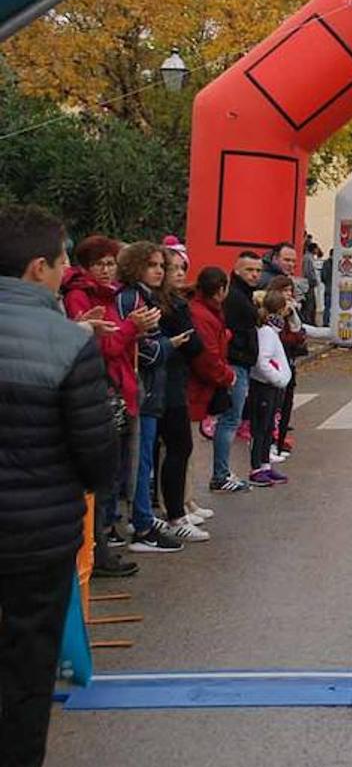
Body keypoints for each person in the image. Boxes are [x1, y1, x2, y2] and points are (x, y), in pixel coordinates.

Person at [0, 204, 117, 767]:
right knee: (27, 662)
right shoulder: (68, 343)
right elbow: (96, 454)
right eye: (62, 260)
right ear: (37, 268)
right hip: (36, 536)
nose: (66, 270)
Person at [60, 236, 144, 578]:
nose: (108, 270)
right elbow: (103, 346)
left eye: (111, 263)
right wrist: (131, 327)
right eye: (101, 264)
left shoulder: (107, 294)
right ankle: (97, 548)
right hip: (103, 387)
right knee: (101, 476)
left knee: (112, 472)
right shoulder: (79, 296)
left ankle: (102, 542)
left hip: (117, 385)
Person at [116, 242, 186, 554]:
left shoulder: (146, 296)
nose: (159, 271)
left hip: (149, 390)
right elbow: (144, 351)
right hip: (141, 389)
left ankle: (140, 517)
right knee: (139, 461)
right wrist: (170, 345)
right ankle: (141, 524)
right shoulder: (133, 298)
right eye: (152, 265)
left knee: (142, 459)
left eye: (161, 265)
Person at [155, 248, 211, 542]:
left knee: (179, 448)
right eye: (171, 268)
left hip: (174, 380)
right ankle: (174, 514)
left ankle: (180, 507)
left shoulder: (176, 302)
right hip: (164, 384)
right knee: (176, 448)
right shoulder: (168, 305)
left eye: (182, 268)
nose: (178, 273)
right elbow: (193, 344)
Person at [213, 252, 264, 492]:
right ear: (236, 270)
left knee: (231, 419)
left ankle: (222, 472)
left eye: (258, 271)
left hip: (241, 362)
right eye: (249, 270)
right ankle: (221, 474)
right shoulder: (234, 297)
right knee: (230, 420)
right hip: (235, 363)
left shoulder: (243, 294)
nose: (254, 275)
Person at [186, 267, 234, 516]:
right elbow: (207, 356)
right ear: (220, 290)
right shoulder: (202, 314)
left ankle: (187, 501)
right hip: (194, 388)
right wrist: (227, 376)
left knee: (189, 450)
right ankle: (181, 505)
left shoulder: (208, 312)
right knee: (185, 450)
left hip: (198, 388)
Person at [248, 289, 293, 488]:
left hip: (271, 387)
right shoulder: (267, 332)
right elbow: (262, 361)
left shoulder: (273, 330)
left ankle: (265, 464)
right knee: (260, 428)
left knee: (268, 427)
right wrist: (278, 378)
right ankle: (256, 467)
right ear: (281, 308)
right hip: (264, 386)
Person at [266, 274, 307, 460]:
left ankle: (280, 441)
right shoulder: (271, 314)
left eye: (290, 290)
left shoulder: (292, 311)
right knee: (275, 405)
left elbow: (299, 331)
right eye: (284, 290)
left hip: (289, 361)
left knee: (286, 403)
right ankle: (270, 443)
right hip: (276, 365)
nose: (288, 294)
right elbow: (283, 337)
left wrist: (293, 315)